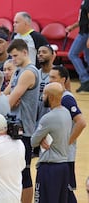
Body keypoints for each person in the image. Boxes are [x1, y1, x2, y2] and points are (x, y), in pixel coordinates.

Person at [3, 38, 40, 203]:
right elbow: (6, 94)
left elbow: (10, 100)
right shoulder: (18, 70)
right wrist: (9, 99)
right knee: (12, 172)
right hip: (13, 126)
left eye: (16, 56)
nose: (13, 60)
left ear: (25, 52)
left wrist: (10, 99)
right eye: (11, 56)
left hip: (24, 129)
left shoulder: (29, 72)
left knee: (24, 173)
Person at [49, 65, 87, 203]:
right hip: (59, 155)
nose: (50, 80)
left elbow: (81, 122)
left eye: (54, 77)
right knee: (63, 192)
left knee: (66, 192)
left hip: (64, 157)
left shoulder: (66, 99)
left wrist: (67, 143)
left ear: (63, 80)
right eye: (49, 77)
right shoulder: (56, 96)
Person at [31, 82, 72, 203]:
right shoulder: (66, 113)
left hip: (49, 168)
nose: (42, 97)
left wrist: (41, 138)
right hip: (63, 167)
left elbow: (33, 141)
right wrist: (43, 137)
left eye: (44, 95)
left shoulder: (48, 118)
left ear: (51, 97)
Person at [66, 0, 89, 92]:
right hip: (83, 31)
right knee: (87, 58)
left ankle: (85, 79)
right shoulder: (84, 1)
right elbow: (83, 19)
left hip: (85, 33)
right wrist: (73, 26)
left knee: (72, 54)